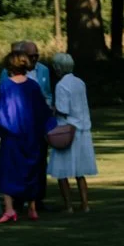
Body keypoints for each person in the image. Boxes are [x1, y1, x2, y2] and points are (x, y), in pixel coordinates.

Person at [0, 48, 55, 224]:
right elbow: (42, 111)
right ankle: (32, 208)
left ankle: (10, 209)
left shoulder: (6, 86)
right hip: (32, 136)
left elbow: (0, 112)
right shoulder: (33, 86)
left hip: (12, 137)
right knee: (32, 169)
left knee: (8, 171)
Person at [47, 51, 97, 211]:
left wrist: (52, 109)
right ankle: (85, 203)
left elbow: (63, 109)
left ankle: (68, 205)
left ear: (58, 67)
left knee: (62, 170)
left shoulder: (61, 85)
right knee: (79, 171)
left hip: (67, 130)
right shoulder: (79, 82)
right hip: (83, 129)